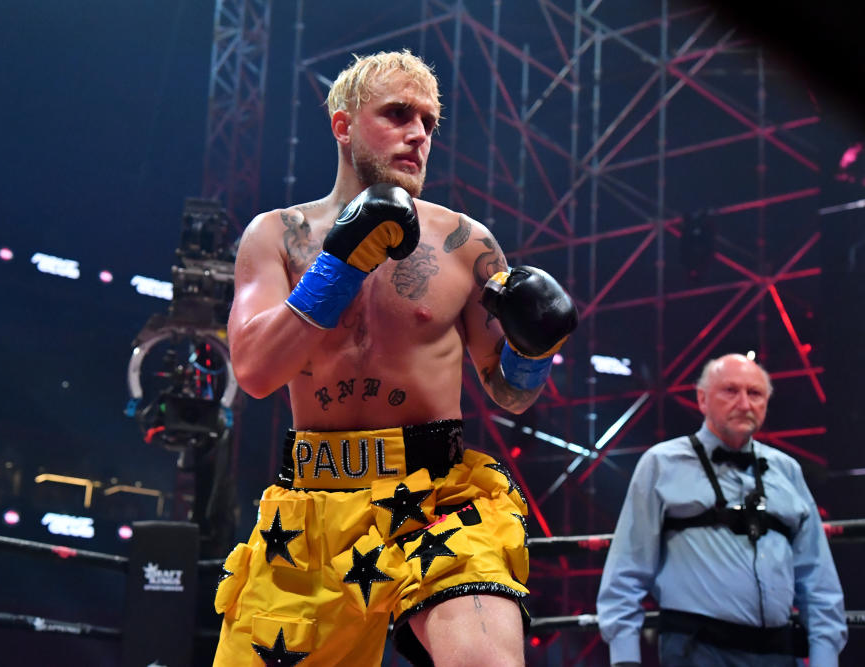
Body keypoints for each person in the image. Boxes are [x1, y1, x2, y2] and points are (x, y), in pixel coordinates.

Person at [212, 50, 576, 666]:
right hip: (313, 508)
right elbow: (253, 372)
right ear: (343, 124)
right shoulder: (277, 235)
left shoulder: (466, 243)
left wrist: (533, 350)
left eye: (430, 123)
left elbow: (509, 393)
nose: (418, 134)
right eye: (399, 114)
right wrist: (341, 263)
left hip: (436, 501)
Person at [596, 353, 847, 666]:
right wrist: (625, 660)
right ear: (702, 399)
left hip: (779, 652)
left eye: (754, 393)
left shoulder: (788, 470)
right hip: (698, 651)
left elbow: (818, 580)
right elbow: (626, 571)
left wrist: (825, 660)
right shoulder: (661, 464)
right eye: (730, 391)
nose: (744, 404)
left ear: (766, 402)